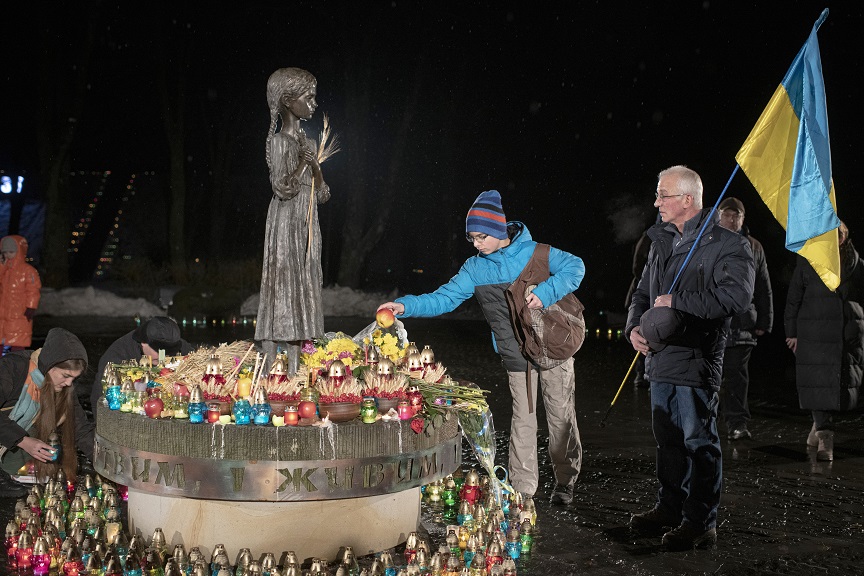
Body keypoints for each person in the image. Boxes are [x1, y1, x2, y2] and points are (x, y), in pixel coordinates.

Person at [377, 190, 586, 505]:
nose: (476, 243)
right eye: (471, 237)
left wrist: (546, 291)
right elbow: (445, 297)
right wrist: (405, 306)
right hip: (515, 353)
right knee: (523, 419)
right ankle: (523, 489)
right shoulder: (475, 268)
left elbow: (576, 267)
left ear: (500, 230)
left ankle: (565, 482)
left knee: (560, 416)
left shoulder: (537, 253)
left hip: (553, 347)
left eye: (481, 236)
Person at [625, 166, 754, 550]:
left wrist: (678, 302)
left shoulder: (730, 245)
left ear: (687, 199)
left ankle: (700, 521)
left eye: (662, 195)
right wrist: (635, 329)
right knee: (667, 439)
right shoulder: (660, 241)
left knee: (699, 441)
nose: (656, 202)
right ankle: (669, 507)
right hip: (659, 358)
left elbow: (735, 298)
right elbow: (642, 294)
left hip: (697, 359)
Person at [256, 67, 330, 376]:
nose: (313, 103)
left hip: (306, 225)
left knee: (305, 285)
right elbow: (283, 188)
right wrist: (305, 163)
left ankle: (299, 369)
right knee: (284, 286)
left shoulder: (306, 142)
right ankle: (272, 370)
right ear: (288, 101)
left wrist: (316, 169)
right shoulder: (281, 142)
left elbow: (322, 194)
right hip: (286, 225)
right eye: (308, 97)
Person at [784, 221, 863, 461]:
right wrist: (791, 332)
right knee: (818, 382)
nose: (834, 238)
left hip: (844, 334)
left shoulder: (856, 264)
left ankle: (818, 427)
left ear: (844, 237)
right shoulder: (808, 262)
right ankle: (825, 435)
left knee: (835, 386)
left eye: (838, 234)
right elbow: (793, 299)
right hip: (814, 333)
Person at [0, 327, 93, 497]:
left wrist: (103, 462)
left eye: (74, 378)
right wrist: (22, 440)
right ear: (49, 365)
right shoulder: (13, 368)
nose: (69, 383)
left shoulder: (63, 386)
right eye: (65, 376)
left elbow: (81, 429)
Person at [716, 197, 773, 441]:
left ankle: (737, 423)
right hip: (713, 321)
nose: (732, 219)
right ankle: (704, 423)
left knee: (737, 377)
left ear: (743, 219)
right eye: (728, 214)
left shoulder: (755, 246)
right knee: (710, 377)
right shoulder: (708, 242)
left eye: (736, 215)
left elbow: (763, 285)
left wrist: (764, 321)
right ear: (719, 216)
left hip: (742, 324)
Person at [90, 316, 193, 419]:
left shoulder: (175, 343)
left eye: (169, 351)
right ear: (143, 343)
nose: (164, 356)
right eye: (159, 350)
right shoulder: (117, 356)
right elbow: (99, 399)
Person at [0, 235, 42, 352]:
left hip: (19, 312)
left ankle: (18, 364)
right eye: (5, 252)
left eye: (11, 252)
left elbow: (33, 290)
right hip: (3, 312)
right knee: (2, 338)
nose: (8, 255)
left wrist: (31, 306)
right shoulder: (4, 269)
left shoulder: (28, 271)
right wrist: (2, 265)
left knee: (18, 340)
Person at [624, 227, 653, 388]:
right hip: (645, 291)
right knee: (641, 333)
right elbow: (638, 266)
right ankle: (640, 373)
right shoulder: (649, 236)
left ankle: (645, 373)